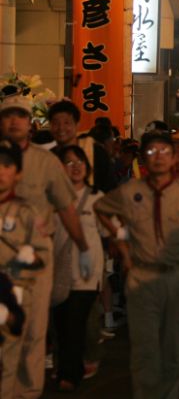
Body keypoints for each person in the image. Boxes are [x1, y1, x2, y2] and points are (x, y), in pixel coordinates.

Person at [94, 130, 179, 399]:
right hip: (142, 276)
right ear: (143, 159)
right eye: (151, 152)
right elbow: (101, 208)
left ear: (173, 158)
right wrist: (122, 244)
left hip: (178, 276)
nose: (158, 157)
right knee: (145, 351)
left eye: (164, 151)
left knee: (172, 350)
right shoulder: (131, 190)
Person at [0, 93, 90, 399]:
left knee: (35, 332)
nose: (14, 121)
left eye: (20, 116)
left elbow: (66, 208)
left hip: (36, 261)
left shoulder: (46, 162)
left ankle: (27, 393)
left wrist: (83, 246)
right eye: (8, 115)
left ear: (30, 123)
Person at [53, 145, 105, 391]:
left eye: (79, 161)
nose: (75, 166)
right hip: (58, 273)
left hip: (87, 274)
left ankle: (69, 375)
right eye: (69, 162)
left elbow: (109, 230)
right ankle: (64, 368)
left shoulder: (98, 198)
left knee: (74, 323)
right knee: (61, 324)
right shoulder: (51, 198)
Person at [0, 140, 48, 397]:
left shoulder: (27, 212)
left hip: (13, 295)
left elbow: (43, 255)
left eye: (7, 166)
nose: (0, 172)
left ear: (17, 173)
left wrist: (25, 266)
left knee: (9, 363)